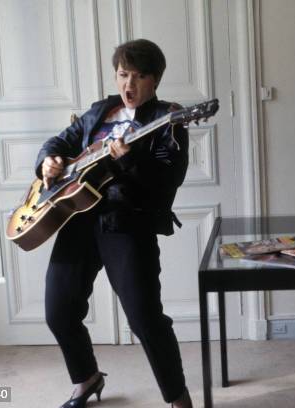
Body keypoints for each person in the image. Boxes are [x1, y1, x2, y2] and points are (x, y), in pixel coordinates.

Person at [35, 39, 193, 408]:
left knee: (145, 320)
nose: (129, 85)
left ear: (155, 81)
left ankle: (178, 397)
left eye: (139, 76)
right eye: (124, 74)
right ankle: (86, 378)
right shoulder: (100, 111)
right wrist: (49, 161)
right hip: (77, 217)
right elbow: (60, 141)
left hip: (127, 224)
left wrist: (128, 160)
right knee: (58, 310)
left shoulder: (167, 119)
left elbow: (168, 179)